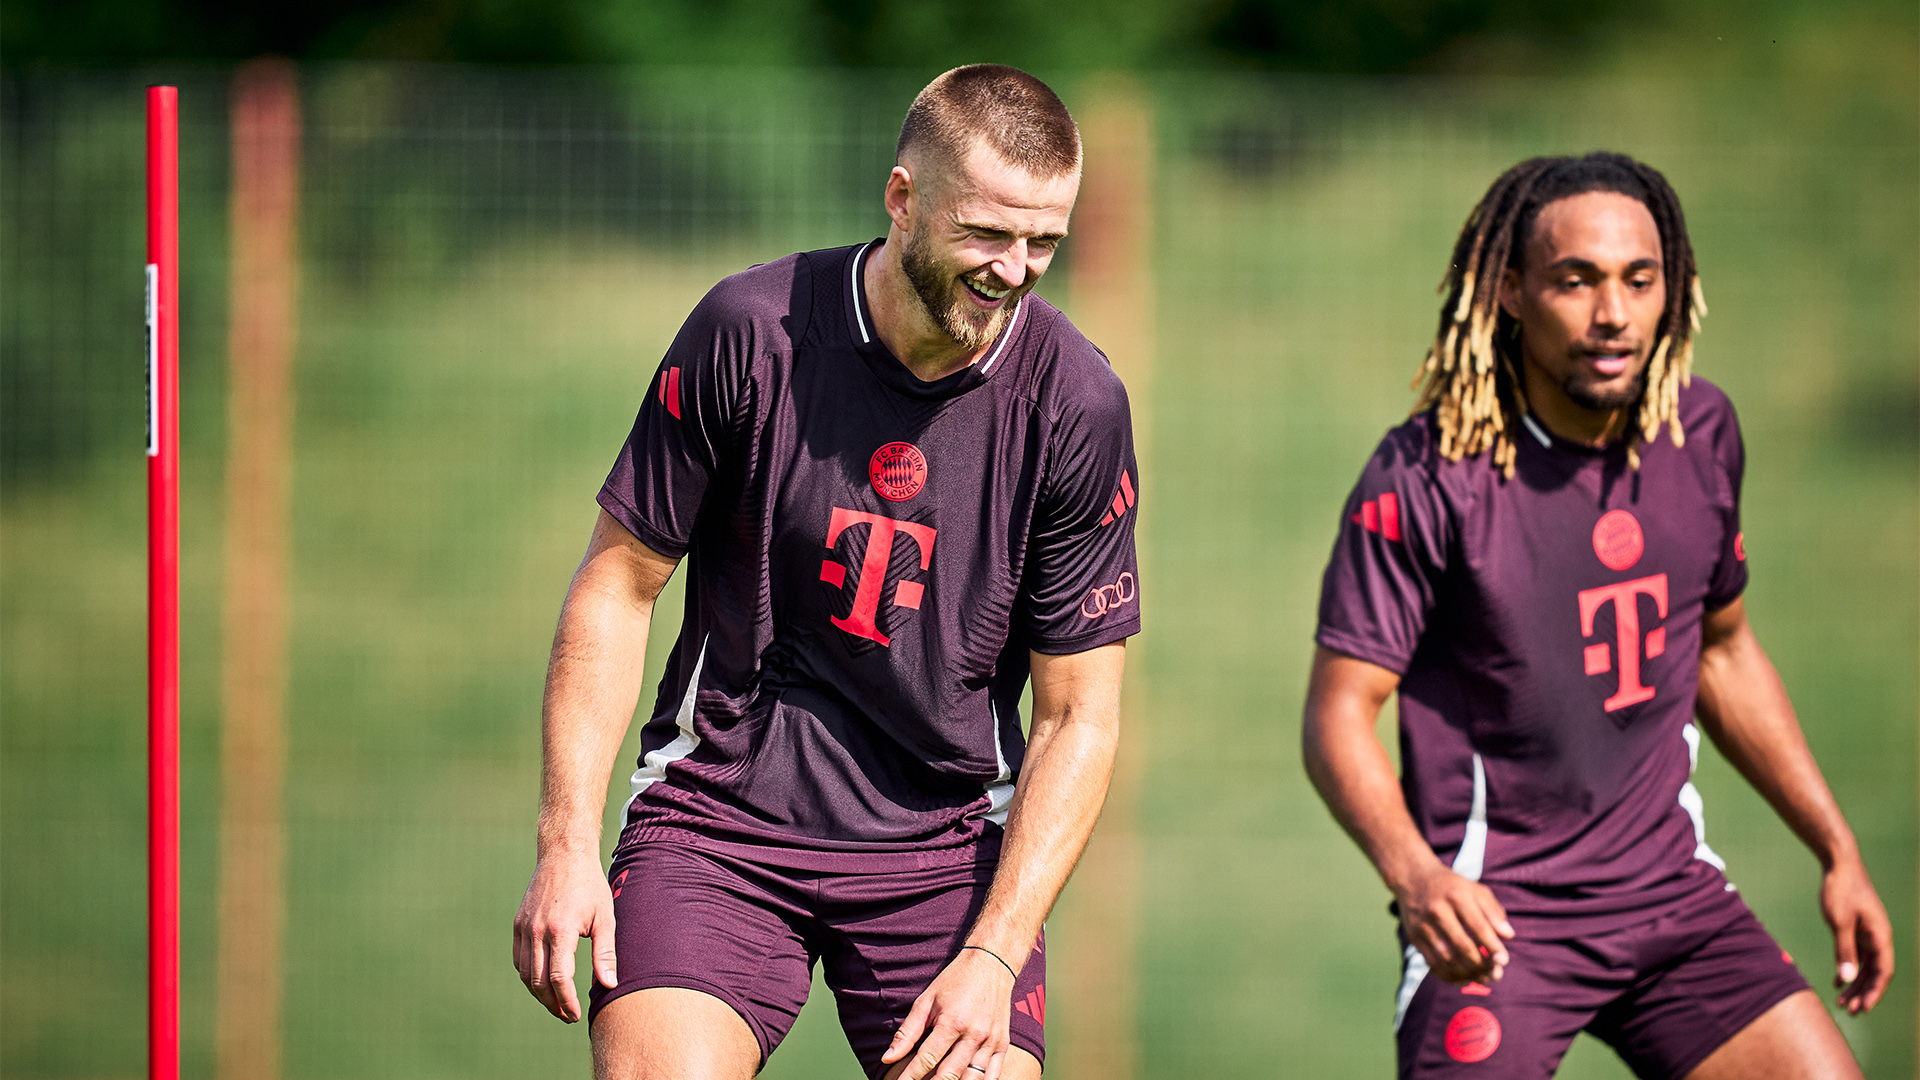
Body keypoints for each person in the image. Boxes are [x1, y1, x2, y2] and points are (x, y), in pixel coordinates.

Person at [512, 64, 1140, 1080]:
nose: (1016, 269)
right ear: (903, 199)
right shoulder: (748, 332)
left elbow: (1081, 716)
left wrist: (995, 948)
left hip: (946, 850)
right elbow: (617, 589)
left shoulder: (1077, 404)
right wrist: (565, 844)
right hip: (717, 823)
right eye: (988, 233)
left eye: (1043, 243)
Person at [1302, 152, 1893, 1078]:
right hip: (1498, 921)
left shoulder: (1701, 435)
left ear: (1673, 289)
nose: (1612, 313)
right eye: (1575, 281)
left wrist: (1836, 848)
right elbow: (1338, 714)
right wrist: (1418, 879)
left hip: (1673, 902)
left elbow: (1725, 657)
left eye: (1638, 280)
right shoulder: (1425, 474)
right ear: (1509, 291)